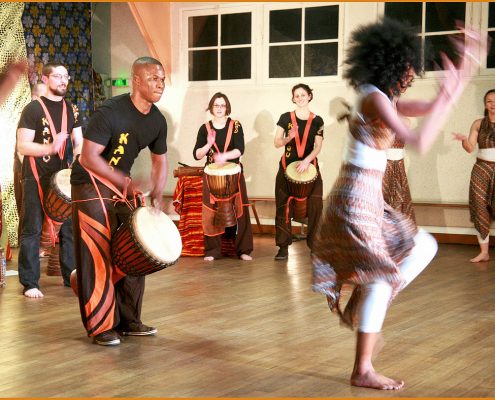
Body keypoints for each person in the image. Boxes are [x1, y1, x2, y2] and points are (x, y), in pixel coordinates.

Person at [311, 19, 482, 390]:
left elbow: (432, 105)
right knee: (384, 277)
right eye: (406, 66)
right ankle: (363, 365)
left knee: (422, 246)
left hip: (367, 195)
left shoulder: (383, 97)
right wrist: (451, 90)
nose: (410, 73)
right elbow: (417, 142)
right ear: (389, 62)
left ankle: (371, 308)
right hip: (354, 198)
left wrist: (461, 76)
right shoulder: (373, 97)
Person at [70, 56, 168, 346]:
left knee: (135, 246)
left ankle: (129, 320)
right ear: (136, 80)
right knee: (97, 248)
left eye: (162, 78)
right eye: (153, 78)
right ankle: (101, 326)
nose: (160, 83)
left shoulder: (157, 120)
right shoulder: (110, 112)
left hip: (120, 184)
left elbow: (159, 161)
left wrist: (158, 194)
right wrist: (124, 181)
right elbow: (88, 157)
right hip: (89, 182)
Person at [16, 62, 82, 298]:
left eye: (66, 76)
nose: (63, 80)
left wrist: (80, 158)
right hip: (36, 174)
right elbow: (22, 145)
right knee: (32, 228)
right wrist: (50, 147)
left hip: (62, 176)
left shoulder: (72, 109)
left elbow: (79, 141)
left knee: (69, 230)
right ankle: (30, 282)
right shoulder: (33, 109)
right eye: (57, 76)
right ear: (45, 79)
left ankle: (71, 276)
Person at [193, 92, 253, 261]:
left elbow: (240, 149)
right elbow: (197, 154)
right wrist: (208, 144)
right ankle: (213, 251)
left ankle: (244, 250)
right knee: (210, 210)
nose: (219, 108)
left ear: (227, 108)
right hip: (211, 175)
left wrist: (224, 156)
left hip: (233, 173)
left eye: (222, 105)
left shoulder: (235, 125)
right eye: (216, 105)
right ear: (211, 107)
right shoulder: (204, 128)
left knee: (241, 209)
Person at [273, 84, 324, 260]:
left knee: (316, 205)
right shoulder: (285, 117)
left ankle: (315, 246)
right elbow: (277, 142)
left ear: (309, 96)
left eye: (303, 94)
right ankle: (283, 247)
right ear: (293, 98)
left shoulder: (317, 120)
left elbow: (318, 146)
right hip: (287, 168)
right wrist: (289, 137)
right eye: (297, 95)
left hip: (309, 168)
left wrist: (306, 160)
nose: (300, 98)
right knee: (282, 206)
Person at [453, 89, 495, 262]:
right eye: (489, 102)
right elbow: (470, 147)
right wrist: (464, 140)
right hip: (481, 169)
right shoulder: (478, 123)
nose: (493, 105)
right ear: (485, 104)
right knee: (479, 207)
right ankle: (484, 252)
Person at [14, 83, 47, 244]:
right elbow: (21, 149)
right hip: (26, 170)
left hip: (40, 170)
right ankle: (27, 243)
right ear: (34, 97)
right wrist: (29, 170)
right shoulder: (28, 114)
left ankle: (42, 242)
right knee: (28, 210)